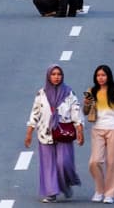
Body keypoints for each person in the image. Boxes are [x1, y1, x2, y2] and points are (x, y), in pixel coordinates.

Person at [25, 65, 84, 204]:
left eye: (59, 74)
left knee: (64, 163)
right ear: (48, 76)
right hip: (45, 133)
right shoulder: (41, 93)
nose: (56, 77)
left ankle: (65, 185)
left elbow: (76, 111)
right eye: (53, 74)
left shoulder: (69, 93)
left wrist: (80, 130)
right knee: (48, 165)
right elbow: (35, 114)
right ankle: (51, 193)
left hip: (63, 133)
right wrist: (29, 133)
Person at [85, 64, 114, 204]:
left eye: (103, 75)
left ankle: (109, 193)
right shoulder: (91, 91)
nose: (101, 78)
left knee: (112, 162)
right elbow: (85, 112)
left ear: (108, 76)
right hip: (97, 129)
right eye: (98, 75)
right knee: (94, 162)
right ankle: (99, 190)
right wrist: (86, 103)